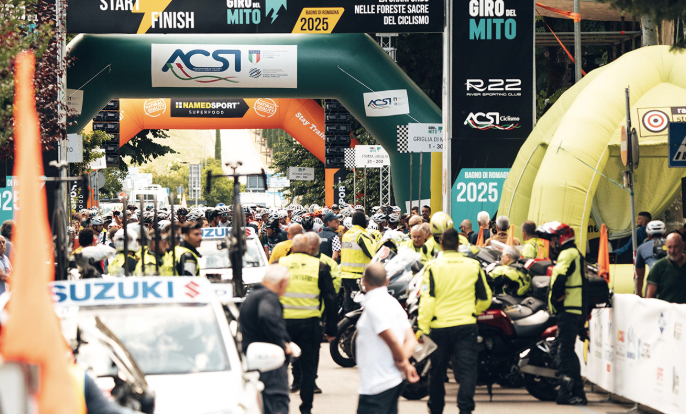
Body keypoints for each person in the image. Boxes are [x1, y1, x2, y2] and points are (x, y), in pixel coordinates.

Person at [417, 229, 491, 414]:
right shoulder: (473, 265)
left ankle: (436, 408)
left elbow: (427, 300)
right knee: (467, 370)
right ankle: (465, 409)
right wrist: (473, 312)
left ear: (441, 244)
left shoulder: (432, 267)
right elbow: (485, 298)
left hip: (440, 327)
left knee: (437, 371)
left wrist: (422, 328)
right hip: (466, 326)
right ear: (459, 245)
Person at [279, 235, 338, 414]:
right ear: (309, 249)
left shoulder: (280, 264)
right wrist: (331, 329)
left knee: (279, 367)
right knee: (309, 367)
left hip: (283, 325)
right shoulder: (319, 266)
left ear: (293, 247)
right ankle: (306, 408)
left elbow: (267, 293)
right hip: (310, 324)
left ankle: (280, 407)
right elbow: (330, 298)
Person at [356, 263, 419, 414]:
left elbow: (391, 339)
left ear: (364, 281)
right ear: (387, 281)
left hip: (377, 384)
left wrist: (403, 363)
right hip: (393, 381)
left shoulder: (373, 305)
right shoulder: (394, 303)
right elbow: (411, 340)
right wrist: (404, 362)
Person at [536, 221, 588, 405]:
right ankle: (569, 386)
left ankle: (577, 392)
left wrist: (557, 297)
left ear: (562, 238)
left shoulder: (568, 254)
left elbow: (559, 277)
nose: (551, 243)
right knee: (558, 351)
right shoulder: (572, 253)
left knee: (564, 351)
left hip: (570, 310)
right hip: (570, 310)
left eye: (553, 239)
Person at [239, 264, 294, 414]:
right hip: (270, 366)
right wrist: (282, 344)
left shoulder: (253, 296)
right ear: (282, 282)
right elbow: (266, 315)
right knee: (277, 405)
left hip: (255, 363)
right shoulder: (268, 297)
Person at [340, 212, 376, 312]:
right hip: (357, 276)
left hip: (345, 275)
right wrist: (372, 240)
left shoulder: (347, 235)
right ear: (363, 221)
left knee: (348, 304)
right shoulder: (362, 235)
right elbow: (373, 253)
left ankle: (346, 321)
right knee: (358, 307)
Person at [646, 232, 686, 304]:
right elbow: (650, 298)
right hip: (666, 310)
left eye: (676, 247)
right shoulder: (659, 266)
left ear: (683, 245)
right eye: (669, 247)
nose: (672, 251)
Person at [635, 220, 666, 297]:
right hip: (674, 283)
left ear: (648, 235)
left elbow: (639, 275)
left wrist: (638, 293)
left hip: (653, 284)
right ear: (665, 234)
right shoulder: (674, 245)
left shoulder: (642, 248)